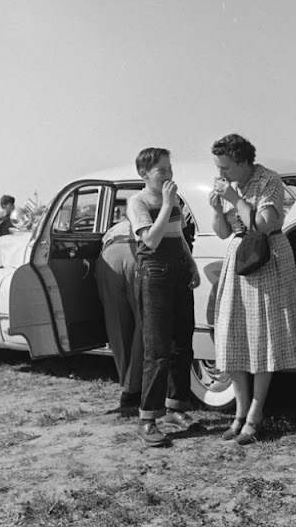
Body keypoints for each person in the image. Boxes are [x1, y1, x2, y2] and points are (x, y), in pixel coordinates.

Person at [209, 134, 296, 445]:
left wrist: (236, 200)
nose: (222, 174)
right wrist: (216, 208)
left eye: (226, 167)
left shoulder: (268, 180)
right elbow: (225, 232)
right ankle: (239, 413)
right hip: (238, 259)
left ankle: (255, 413)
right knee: (232, 335)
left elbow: (263, 224)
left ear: (243, 162)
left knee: (263, 337)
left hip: (267, 257)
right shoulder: (230, 185)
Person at [127, 147, 201, 447]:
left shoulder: (174, 201)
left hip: (178, 271)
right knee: (156, 349)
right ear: (145, 174)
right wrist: (168, 202)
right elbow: (151, 239)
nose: (169, 174)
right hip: (154, 272)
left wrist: (192, 264)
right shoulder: (139, 201)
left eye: (170, 168)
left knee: (182, 344)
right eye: (161, 170)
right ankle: (147, 418)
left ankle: (175, 407)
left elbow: (178, 236)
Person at [94, 204, 144, 408]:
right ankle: (137, 385)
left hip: (110, 253)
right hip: (137, 253)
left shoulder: (113, 229)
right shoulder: (143, 220)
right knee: (143, 322)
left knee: (117, 324)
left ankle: (127, 387)